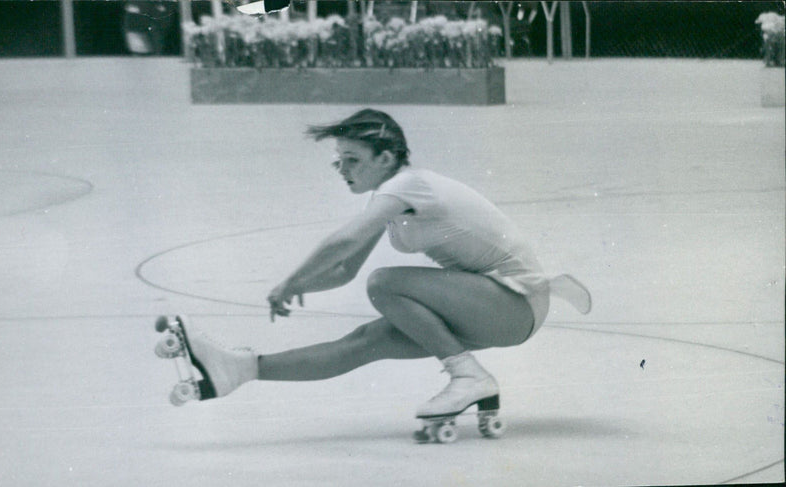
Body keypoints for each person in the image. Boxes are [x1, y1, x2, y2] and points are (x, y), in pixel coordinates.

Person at [180, 108, 591, 420]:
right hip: (492, 309)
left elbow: (345, 241)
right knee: (363, 342)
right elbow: (344, 270)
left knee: (385, 282)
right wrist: (301, 287)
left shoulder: (409, 184)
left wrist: (289, 281)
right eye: (339, 160)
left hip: (515, 304)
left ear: (386, 157)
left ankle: (468, 376)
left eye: (353, 159)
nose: (342, 169)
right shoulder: (392, 198)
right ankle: (241, 369)